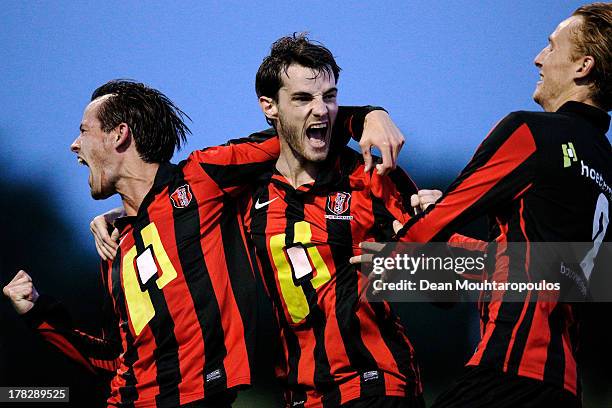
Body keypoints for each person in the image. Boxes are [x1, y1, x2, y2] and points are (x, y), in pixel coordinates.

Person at [2, 79, 406, 407]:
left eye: (83, 131)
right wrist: (40, 314)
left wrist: (369, 117)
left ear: (120, 135)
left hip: (221, 395)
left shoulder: (203, 179)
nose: (75, 145)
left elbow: (296, 133)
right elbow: (119, 361)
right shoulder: (114, 246)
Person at [379, 3, 611, 407]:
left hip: (503, 374)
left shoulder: (531, 132)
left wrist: (398, 238)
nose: (538, 58)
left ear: (583, 67)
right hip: (565, 390)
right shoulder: (607, 167)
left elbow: (425, 235)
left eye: (552, 46)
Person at [241, 34, 426, 408]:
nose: (322, 110)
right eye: (303, 98)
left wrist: (410, 262)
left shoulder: (370, 176)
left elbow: (447, 286)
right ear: (269, 107)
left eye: (329, 96)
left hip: (377, 384)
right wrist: (120, 215)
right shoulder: (247, 195)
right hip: (300, 396)